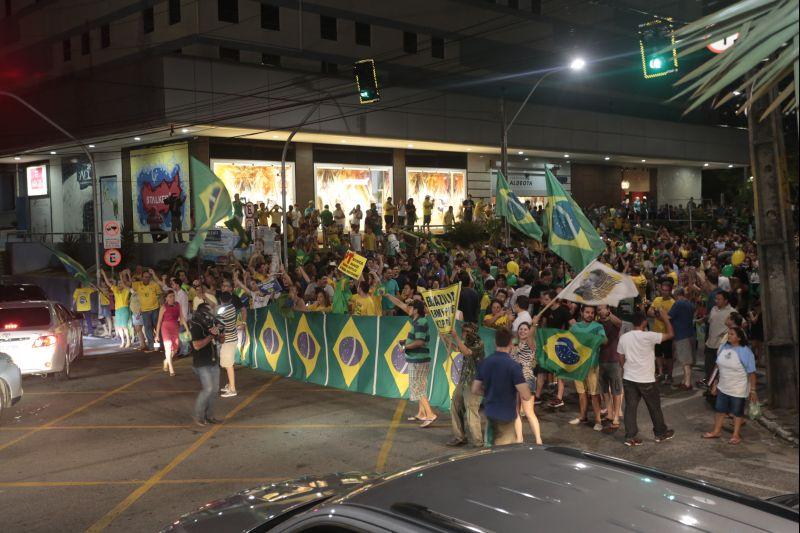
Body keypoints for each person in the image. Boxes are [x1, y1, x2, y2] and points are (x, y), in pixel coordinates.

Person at [617, 311, 676, 446]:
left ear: (633, 323)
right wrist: (666, 319)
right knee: (654, 407)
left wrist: (625, 368)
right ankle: (660, 433)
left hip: (629, 377)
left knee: (630, 408)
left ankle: (630, 437)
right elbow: (671, 334)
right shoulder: (649, 336)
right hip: (646, 379)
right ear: (644, 322)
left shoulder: (624, 337)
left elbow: (620, 357)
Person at [472, 328, 531, 446]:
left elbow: (474, 389)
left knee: (489, 449)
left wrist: (488, 393)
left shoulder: (485, 362)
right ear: (511, 343)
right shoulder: (514, 366)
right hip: (506, 416)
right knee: (502, 455)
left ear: (495, 342)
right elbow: (526, 395)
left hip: (490, 412)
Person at [386, 296, 437, 427]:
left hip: (418, 360)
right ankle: (422, 413)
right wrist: (405, 341)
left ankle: (430, 415)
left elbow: (420, 342)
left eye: (411, 307)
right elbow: (418, 339)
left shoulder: (420, 322)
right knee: (421, 386)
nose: (408, 308)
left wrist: (405, 346)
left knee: (418, 388)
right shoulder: (419, 321)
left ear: (416, 310)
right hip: (420, 359)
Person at [702, 326, 758, 445]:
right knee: (720, 410)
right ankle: (716, 431)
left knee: (737, 412)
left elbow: (752, 373)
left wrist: (753, 390)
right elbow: (718, 368)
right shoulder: (723, 347)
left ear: (739, 337)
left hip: (738, 389)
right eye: (728, 334)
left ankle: (735, 434)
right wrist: (714, 384)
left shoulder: (745, 351)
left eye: (732, 334)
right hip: (723, 386)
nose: (728, 336)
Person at [444, 324, 485, 447]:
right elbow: (457, 349)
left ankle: (478, 442)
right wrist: (446, 339)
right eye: (463, 331)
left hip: (475, 382)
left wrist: (455, 337)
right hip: (464, 380)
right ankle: (459, 436)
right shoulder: (466, 341)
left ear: (473, 332)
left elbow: (467, 352)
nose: (464, 333)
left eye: (467, 331)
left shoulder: (479, 343)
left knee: (471, 410)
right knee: (455, 404)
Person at [568, 305, 607, 431]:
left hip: (592, 366)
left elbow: (605, 340)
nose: (589, 314)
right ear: (581, 312)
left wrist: (596, 339)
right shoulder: (574, 327)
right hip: (577, 365)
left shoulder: (598, 326)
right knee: (581, 393)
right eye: (587, 312)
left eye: (592, 313)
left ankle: (598, 420)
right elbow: (568, 341)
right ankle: (583, 416)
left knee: (594, 394)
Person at [189, 304, 222, 427]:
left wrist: (220, 333)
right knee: (208, 389)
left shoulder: (211, 324)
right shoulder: (196, 327)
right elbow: (197, 345)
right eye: (209, 311)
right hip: (202, 363)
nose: (211, 313)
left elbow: (221, 340)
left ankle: (209, 416)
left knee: (214, 390)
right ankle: (198, 416)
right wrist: (211, 336)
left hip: (213, 361)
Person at [511, 322, 543, 444]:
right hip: (514, 380)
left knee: (529, 412)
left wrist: (534, 323)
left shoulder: (531, 343)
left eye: (525, 329)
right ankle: (519, 439)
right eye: (521, 329)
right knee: (515, 412)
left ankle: (538, 440)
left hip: (526, 379)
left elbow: (530, 335)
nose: (523, 331)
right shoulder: (515, 345)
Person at [217, 278, 246, 398]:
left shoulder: (222, 311)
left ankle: (232, 389)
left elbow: (220, 326)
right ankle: (230, 385)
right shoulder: (233, 308)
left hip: (228, 339)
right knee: (228, 363)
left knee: (228, 365)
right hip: (232, 338)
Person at [597, 305, 623, 432]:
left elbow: (620, 323)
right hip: (600, 360)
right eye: (599, 309)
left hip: (614, 360)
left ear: (608, 309)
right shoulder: (596, 324)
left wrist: (609, 315)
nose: (601, 311)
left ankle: (617, 416)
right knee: (604, 390)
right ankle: (610, 414)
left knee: (616, 390)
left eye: (603, 308)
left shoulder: (614, 322)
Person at [704, 291, 735, 384]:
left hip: (722, 346)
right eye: (716, 299)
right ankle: (711, 390)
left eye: (719, 299)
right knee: (709, 369)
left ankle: (718, 391)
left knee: (720, 371)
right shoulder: (713, 309)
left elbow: (743, 323)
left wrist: (728, 333)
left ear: (726, 301)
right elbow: (710, 321)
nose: (716, 301)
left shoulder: (732, 312)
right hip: (710, 344)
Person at [648, 281, 675, 384]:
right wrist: (660, 316)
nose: (664, 292)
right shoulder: (657, 299)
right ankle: (660, 373)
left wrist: (659, 315)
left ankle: (669, 375)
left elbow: (670, 318)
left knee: (668, 356)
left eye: (666, 290)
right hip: (656, 333)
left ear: (670, 291)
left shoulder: (673, 303)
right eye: (662, 290)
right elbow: (649, 312)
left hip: (667, 333)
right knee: (658, 354)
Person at [669, 287, 696, 390]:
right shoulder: (690, 304)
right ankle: (684, 381)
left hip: (681, 335)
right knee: (688, 360)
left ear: (677, 295)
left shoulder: (678, 303)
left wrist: (660, 314)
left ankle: (687, 383)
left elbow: (669, 317)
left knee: (685, 361)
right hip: (690, 334)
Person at [156, 290, 188, 376]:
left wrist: (187, 329)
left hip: (175, 327)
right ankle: (171, 369)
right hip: (165, 328)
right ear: (166, 298)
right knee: (168, 347)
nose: (172, 298)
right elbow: (159, 322)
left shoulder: (177, 305)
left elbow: (181, 317)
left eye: (173, 296)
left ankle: (166, 360)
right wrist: (156, 335)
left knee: (175, 349)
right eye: (170, 296)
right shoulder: (163, 307)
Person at [132, 269, 162, 351]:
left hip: (155, 309)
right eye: (145, 277)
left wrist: (160, 304)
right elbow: (127, 283)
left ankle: (159, 345)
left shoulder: (154, 285)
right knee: (148, 329)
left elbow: (160, 295)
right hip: (145, 311)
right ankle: (152, 346)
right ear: (142, 277)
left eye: (148, 277)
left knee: (157, 328)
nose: (147, 279)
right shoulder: (138, 285)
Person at [101, 270, 131, 348]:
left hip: (124, 309)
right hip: (117, 310)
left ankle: (128, 341)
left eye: (122, 283)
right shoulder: (116, 289)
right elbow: (108, 283)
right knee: (119, 327)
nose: (120, 284)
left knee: (124, 326)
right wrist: (104, 274)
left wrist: (125, 276)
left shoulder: (126, 290)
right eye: (119, 283)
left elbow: (129, 283)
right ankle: (123, 342)